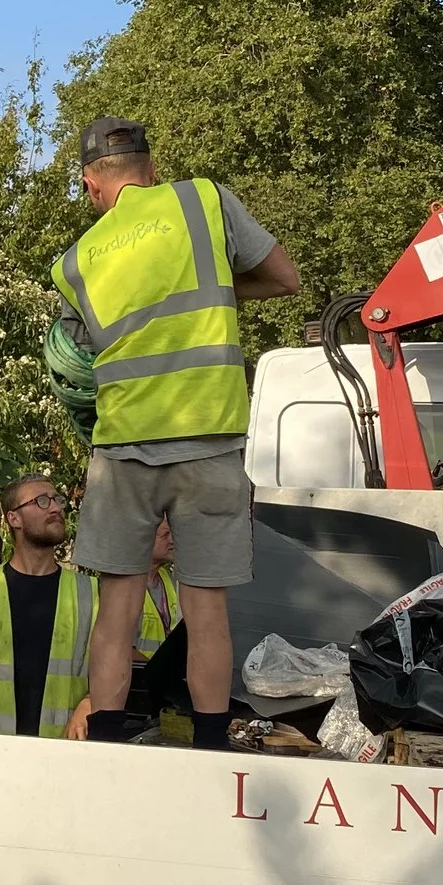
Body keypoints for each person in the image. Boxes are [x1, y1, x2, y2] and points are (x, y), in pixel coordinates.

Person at [51, 115, 297, 750]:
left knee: (116, 610)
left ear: (91, 186)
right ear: (151, 170)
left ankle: (104, 741)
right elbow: (284, 278)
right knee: (206, 608)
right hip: (209, 438)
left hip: (122, 449)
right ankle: (212, 745)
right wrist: (218, 292)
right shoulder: (201, 200)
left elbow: (75, 364)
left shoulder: (74, 264)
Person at [0, 477, 96, 740]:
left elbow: (109, 671)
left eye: (57, 500)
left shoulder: (90, 592)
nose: (55, 508)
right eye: (41, 501)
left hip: (65, 754)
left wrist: (89, 702)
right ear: (13, 518)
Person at [135, 518, 180, 664]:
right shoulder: (124, 586)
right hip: (133, 680)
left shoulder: (170, 581)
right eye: (165, 534)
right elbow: (116, 646)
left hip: (162, 680)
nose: (172, 540)